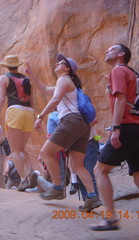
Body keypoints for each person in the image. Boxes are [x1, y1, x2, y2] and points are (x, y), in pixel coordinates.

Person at [91, 44, 139, 238]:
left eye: (111, 49)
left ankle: (111, 219)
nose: (106, 51)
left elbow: (120, 99)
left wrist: (116, 128)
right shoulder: (135, 75)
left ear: (121, 54)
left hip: (127, 127)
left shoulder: (118, 70)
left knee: (100, 170)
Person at [25, 54, 101, 211]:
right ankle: (92, 197)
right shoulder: (69, 83)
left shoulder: (64, 79)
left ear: (67, 68)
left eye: (60, 63)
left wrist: (40, 116)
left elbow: (55, 99)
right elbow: (46, 90)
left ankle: (58, 188)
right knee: (77, 165)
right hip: (82, 125)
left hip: (71, 121)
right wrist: (32, 75)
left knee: (46, 152)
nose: (56, 65)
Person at [0, 55, 37, 191]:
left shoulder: (4, 78)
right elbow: (32, 99)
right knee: (21, 149)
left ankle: (24, 179)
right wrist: (37, 116)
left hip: (14, 111)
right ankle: (30, 172)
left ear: (6, 65)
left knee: (14, 150)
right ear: (17, 65)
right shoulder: (26, 79)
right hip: (29, 112)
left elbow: (2, 98)